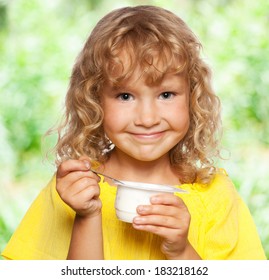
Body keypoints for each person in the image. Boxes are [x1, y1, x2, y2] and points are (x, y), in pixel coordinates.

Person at [2, 5, 266, 260]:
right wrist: (88, 216)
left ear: (192, 97)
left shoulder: (215, 196)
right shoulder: (76, 190)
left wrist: (181, 251)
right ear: (95, 101)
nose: (147, 119)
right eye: (125, 96)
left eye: (166, 94)